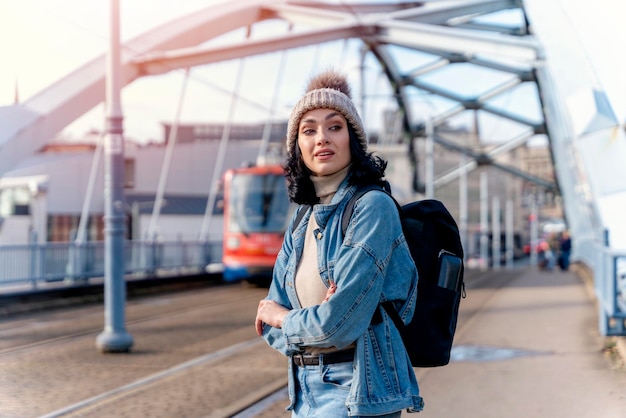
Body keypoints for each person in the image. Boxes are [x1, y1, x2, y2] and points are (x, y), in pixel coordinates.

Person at [254, 70, 423, 417]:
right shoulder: (302, 220)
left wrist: (287, 319)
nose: (322, 139)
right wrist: (312, 323)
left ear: (353, 138)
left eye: (334, 126)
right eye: (309, 130)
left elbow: (338, 325)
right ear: (297, 147)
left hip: (357, 387)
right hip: (305, 390)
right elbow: (267, 326)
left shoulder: (372, 207)